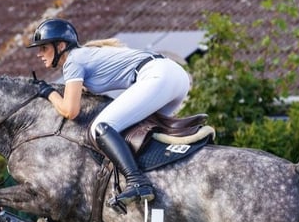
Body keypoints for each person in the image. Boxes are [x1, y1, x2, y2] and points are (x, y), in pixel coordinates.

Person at [27, 18, 191, 205]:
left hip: (158, 76)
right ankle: (159, 181)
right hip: (177, 77)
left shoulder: (72, 61)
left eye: (44, 48)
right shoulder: (84, 55)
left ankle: (136, 181)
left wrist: (48, 93)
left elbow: (70, 111)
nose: (39, 53)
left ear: (61, 46)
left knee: (100, 127)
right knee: (142, 133)